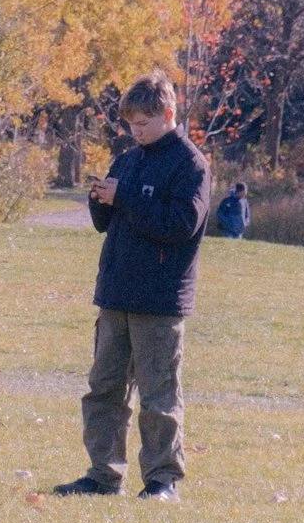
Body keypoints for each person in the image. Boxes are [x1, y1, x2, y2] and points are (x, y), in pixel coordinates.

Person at [55, 72, 210, 501]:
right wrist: (99, 199)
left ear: (169, 114)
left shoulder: (190, 165)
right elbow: (107, 222)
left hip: (159, 302)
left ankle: (163, 481)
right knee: (103, 390)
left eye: (143, 124)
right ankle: (103, 475)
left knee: (158, 396)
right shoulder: (128, 158)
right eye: (131, 125)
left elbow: (180, 226)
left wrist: (125, 197)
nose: (135, 132)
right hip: (116, 294)